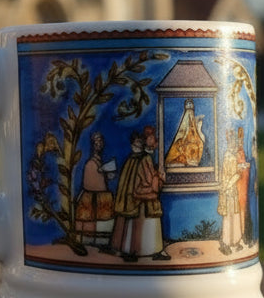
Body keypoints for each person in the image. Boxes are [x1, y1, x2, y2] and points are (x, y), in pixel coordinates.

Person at [110, 127, 167, 261]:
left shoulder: (131, 160)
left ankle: (129, 250)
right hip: (142, 201)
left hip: (132, 201)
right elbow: (151, 184)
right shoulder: (145, 159)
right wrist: (160, 178)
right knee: (143, 226)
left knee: (131, 227)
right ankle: (146, 251)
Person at [74, 132, 116, 253]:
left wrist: (107, 175)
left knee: (103, 220)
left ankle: (102, 242)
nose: (99, 145)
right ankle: (90, 241)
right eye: (96, 143)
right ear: (93, 145)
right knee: (91, 219)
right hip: (92, 196)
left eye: (100, 142)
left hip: (101, 195)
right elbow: (89, 183)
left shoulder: (99, 162)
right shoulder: (90, 163)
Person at [218, 127, 251, 254]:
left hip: (232, 191)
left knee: (235, 216)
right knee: (229, 218)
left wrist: (239, 168)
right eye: (232, 143)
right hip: (228, 190)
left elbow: (234, 169)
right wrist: (238, 172)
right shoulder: (228, 156)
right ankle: (226, 242)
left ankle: (235, 242)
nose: (234, 145)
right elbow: (228, 175)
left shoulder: (231, 156)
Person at [165, 98, 205, 167]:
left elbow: (195, 133)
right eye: (188, 104)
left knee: (196, 145)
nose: (189, 105)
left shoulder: (193, 121)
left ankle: (192, 161)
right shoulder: (185, 119)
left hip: (193, 141)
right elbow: (182, 132)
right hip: (184, 142)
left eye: (190, 104)